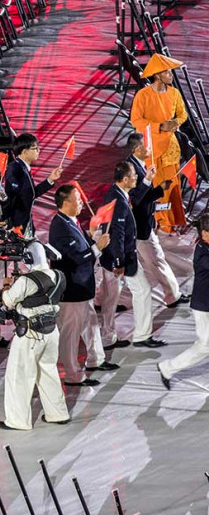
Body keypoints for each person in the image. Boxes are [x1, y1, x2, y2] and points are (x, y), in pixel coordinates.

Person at [47, 185, 116, 386]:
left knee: (91, 324)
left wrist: (93, 240)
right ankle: (72, 374)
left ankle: (96, 359)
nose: (81, 203)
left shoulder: (71, 222)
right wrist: (97, 247)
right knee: (70, 333)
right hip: (71, 290)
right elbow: (77, 257)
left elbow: (83, 247)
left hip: (82, 288)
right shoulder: (60, 227)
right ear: (66, 202)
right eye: (77, 200)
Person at [0, 242, 71, 431]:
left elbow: (8, 301)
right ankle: (58, 413)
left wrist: (6, 287)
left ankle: (18, 421)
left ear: (28, 258)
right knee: (48, 371)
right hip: (51, 331)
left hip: (30, 334)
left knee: (19, 376)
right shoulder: (60, 276)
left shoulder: (25, 281)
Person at [100, 161, 164, 349]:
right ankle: (141, 336)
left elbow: (135, 200)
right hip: (120, 259)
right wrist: (120, 262)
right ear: (126, 179)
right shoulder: (119, 201)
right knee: (141, 291)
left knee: (111, 300)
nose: (137, 177)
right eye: (135, 175)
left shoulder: (118, 194)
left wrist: (147, 180)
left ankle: (109, 337)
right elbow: (117, 234)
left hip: (115, 258)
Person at [124, 131, 187, 308]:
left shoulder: (138, 164)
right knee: (156, 260)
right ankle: (172, 296)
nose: (150, 148)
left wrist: (159, 189)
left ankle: (105, 299)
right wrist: (147, 181)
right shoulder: (131, 168)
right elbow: (135, 199)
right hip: (139, 226)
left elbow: (142, 197)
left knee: (131, 268)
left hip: (140, 224)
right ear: (137, 149)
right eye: (147, 145)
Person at [130, 52, 188, 232]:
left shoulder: (175, 93)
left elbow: (182, 114)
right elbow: (136, 121)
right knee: (156, 187)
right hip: (152, 148)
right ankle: (159, 221)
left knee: (172, 186)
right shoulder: (143, 95)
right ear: (157, 74)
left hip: (171, 147)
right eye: (168, 72)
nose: (171, 75)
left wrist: (176, 122)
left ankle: (172, 222)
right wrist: (158, 126)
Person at [159, 215, 209, 389]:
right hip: (204, 307)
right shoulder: (202, 252)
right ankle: (167, 368)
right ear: (205, 233)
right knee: (204, 345)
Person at [1, 134, 62, 233]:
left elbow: (30, 194)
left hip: (25, 222)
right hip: (17, 225)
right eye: (35, 148)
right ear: (25, 152)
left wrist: (50, 179)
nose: (39, 151)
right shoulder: (15, 168)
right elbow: (10, 197)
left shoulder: (24, 168)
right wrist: (10, 222)